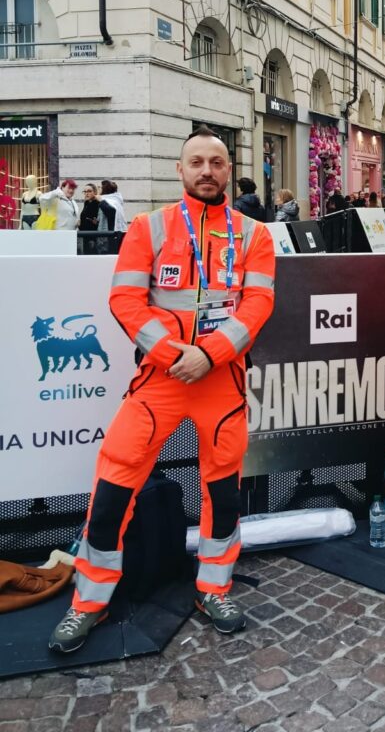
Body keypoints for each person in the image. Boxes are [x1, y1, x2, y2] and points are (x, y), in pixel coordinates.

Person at [48, 126, 276, 654]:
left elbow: (258, 306)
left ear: (228, 169)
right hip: (162, 380)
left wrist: (212, 354)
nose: (206, 171)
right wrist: (179, 355)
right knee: (113, 486)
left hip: (222, 382)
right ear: (180, 170)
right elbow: (126, 301)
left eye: (216, 163)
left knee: (222, 493)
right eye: (196, 161)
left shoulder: (254, 235)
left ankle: (214, 589)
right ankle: (88, 602)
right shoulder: (149, 228)